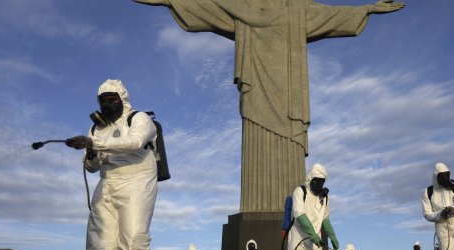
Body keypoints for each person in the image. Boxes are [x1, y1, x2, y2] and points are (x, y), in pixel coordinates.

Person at [134, 0, 404, 213]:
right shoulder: (242, 6)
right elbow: (206, 6)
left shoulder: (298, 8)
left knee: (290, 157)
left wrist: (367, 8)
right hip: (256, 95)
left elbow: (332, 16)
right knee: (256, 145)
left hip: (289, 96)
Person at [53, 79, 158, 250]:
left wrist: (94, 144)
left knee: (133, 240)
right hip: (107, 182)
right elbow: (91, 168)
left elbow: (134, 143)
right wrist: (90, 152)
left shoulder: (140, 119)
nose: (107, 104)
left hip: (137, 180)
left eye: (112, 99)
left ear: (122, 99)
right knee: (99, 246)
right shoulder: (97, 128)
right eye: (103, 101)